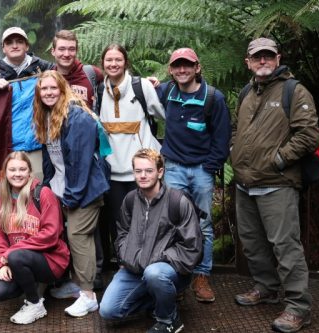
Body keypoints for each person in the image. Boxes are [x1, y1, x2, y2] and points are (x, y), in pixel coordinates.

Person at [231, 37, 318, 333]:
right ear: (249, 62)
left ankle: (298, 307)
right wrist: (235, 153)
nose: (263, 61)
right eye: (258, 57)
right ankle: (266, 288)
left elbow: (309, 136)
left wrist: (278, 160)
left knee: (285, 247)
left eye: (268, 56)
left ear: (278, 58)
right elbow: (236, 130)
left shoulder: (294, 91)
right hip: (245, 184)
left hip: (277, 184)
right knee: (253, 244)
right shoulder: (246, 92)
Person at [99, 148, 202, 333]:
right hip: (135, 268)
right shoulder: (130, 200)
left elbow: (191, 247)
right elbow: (121, 232)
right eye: (138, 171)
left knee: (154, 274)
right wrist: (125, 255)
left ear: (160, 172)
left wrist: (156, 259)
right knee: (108, 310)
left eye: (149, 171)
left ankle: (168, 319)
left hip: (166, 269)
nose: (143, 176)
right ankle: (159, 300)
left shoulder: (177, 201)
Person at [156, 48, 230, 303]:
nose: (182, 70)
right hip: (173, 168)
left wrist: (209, 167)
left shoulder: (213, 98)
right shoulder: (166, 92)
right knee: (172, 223)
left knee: (203, 225)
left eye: (187, 65)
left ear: (197, 67)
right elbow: (140, 97)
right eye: (177, 66)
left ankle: (202, 274)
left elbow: (222, 138)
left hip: (201, 171)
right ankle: (176, 276)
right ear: (171, 70)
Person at [33, 70, 109, 318]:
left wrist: (73, 196)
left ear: (63, 88)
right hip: (62, 187)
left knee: (78, 235)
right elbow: (50, 156)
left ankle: (88, 296)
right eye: (44, 89)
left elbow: (80, 161)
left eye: (53, 88)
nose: (48, 93)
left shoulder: (76, 116)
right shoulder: (47, 114)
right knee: (64, 235)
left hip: (83, 190)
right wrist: (47, 185)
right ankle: (75, 284)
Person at [97, 44, 165, 286]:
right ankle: (125, 266)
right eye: (109, 60)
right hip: (114, 172)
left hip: (143, 172)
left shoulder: (141, 86)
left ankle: (150, 267)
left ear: (125, 62)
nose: (113, 64)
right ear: (102, 63)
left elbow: (163, 111)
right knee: (120, 223)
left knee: (148, 221)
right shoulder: (98, 91)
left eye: (118, 60)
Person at [0, 151, 69, 325]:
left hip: (50, 260)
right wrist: (0, 265)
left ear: (29, 171)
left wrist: (11, 253)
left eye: (22, 169)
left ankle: (35, 304)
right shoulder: (1, 200)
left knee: (17, 256)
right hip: (18, 259)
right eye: (12, 170)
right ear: (5, 173)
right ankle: (32, 283)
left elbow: (51, 234)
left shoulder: (43, 193)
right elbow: (0, 241)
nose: (17, 174)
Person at [0, 26, 52, 181]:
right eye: (10, 42)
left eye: (19, 42)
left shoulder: (43, 68)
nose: (15, 45)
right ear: (3, 48)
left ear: (27, 46)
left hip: (39, 146)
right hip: (9, 150)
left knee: (39, 193)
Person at [50, 30, 102, 109]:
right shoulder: (48, 80)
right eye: (62, 49)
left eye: (71, 49)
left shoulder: (92, 73)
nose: (66, 54)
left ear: (76, 51)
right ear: (53, 51)